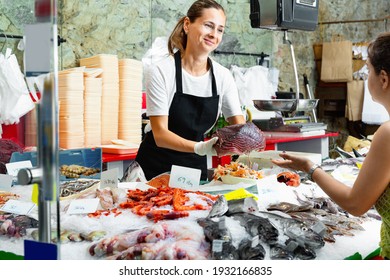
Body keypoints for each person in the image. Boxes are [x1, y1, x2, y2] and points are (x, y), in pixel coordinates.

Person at [272, 32, 390, 260]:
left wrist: (310, 167)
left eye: (367, 71)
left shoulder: (387, 133)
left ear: (383, 79)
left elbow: (355, 204)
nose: (366, 79)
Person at [136, 0, 245, 181]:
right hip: (155, 169)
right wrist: (198, 148)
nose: (214, 34)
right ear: (187, 24)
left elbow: (239, 126)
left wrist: (246, 143)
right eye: (208, 26)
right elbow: (160, 134)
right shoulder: (161, 71)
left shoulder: (223, 76)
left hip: (194, 170)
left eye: (220, 30)